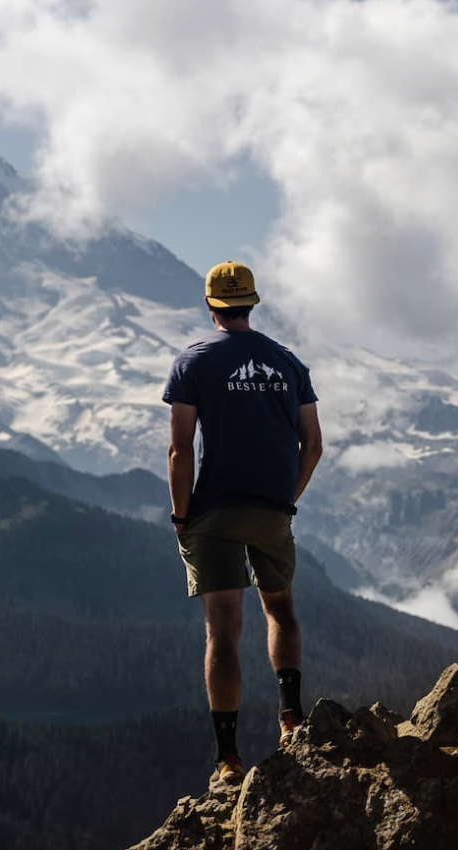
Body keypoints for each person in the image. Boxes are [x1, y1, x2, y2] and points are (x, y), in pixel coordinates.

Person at [161, 261, 324, 785]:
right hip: (272, 507)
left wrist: (182, 513)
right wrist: (285, 499)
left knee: (224, 629)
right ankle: (292, 718)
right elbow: (313, 444)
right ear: (253, 303)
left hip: (215, 509)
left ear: (209, 305)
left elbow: (179, 449)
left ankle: (228, 759)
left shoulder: (193, 362)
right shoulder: (288, 362)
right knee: (281, 610)